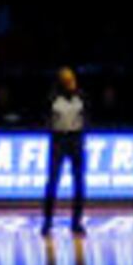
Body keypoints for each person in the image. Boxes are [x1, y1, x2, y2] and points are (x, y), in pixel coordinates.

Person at [39, 66, 89, 231]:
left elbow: (88, 116)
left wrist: (83, 134)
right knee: (53, 181)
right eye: (66, 79)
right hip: (59, 139)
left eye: (72, 79)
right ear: (61, 81)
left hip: (76, 139)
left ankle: (77, 222)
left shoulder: (81, 96)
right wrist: (51, 130)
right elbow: (45, 116)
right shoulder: (53, 98)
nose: (70, 82)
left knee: (79, 182)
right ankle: (47, 221)